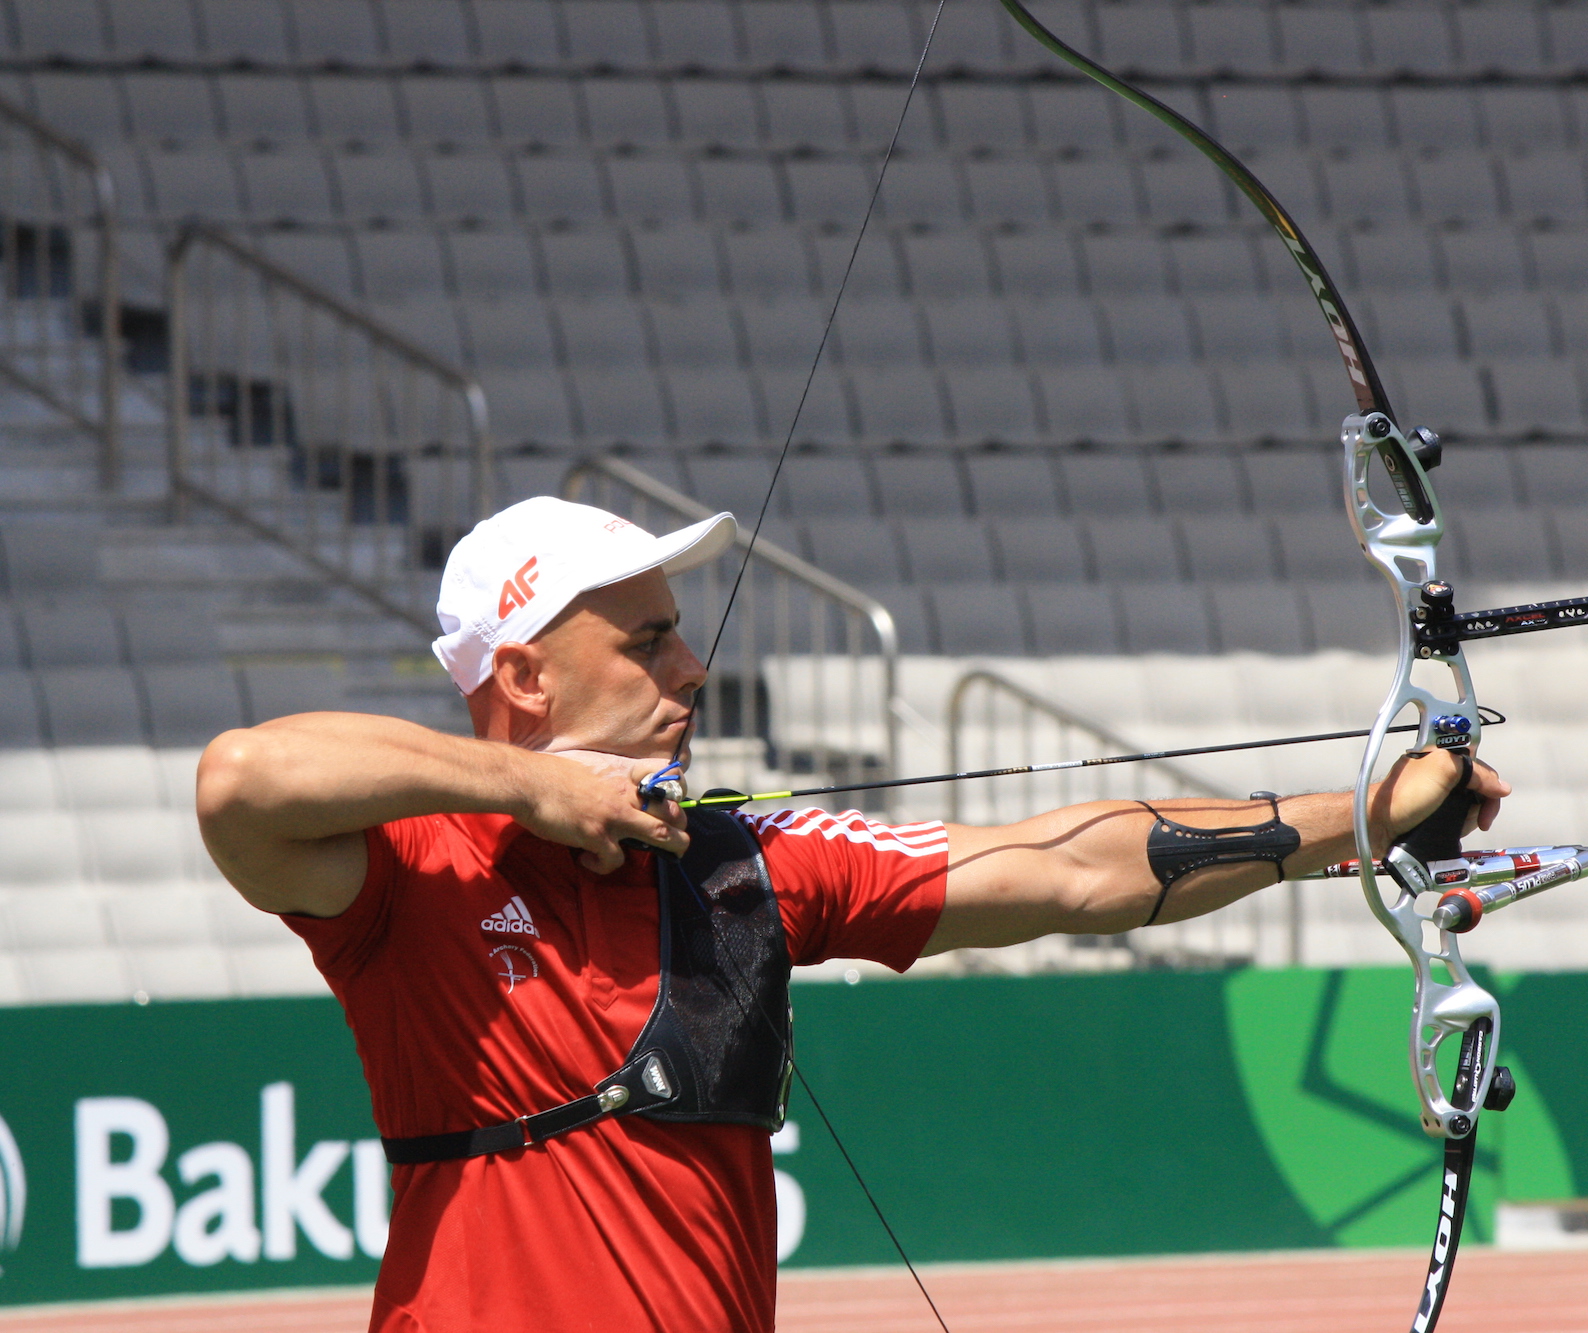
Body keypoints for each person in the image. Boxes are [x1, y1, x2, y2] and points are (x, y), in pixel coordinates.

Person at [196, 496, 1509, 1333]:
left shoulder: (746, 861)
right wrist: (526, 785)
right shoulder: (413, 871)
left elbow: (1068, 868)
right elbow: (240, 778)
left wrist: (1367, 805)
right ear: (527, 676)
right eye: (645, 639)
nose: (691, 666)